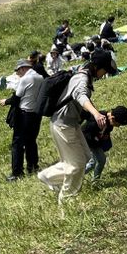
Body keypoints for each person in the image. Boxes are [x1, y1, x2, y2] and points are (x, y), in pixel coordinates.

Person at [38, 49, 112, 204]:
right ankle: (66, 201)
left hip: (71, 123)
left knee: (85, 157)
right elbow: (80, 95)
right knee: (76, 165)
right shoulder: (82, 78)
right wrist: (96, 114)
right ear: (97, 67)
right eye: (105, 70)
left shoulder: (83, 73)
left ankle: (48, 176)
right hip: (63, 125)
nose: (105, 74)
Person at [0, 58, 45, 181]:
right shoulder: (40, 77)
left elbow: (16, 97)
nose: (17, 73)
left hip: (24, 114)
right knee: (31, 141)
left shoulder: (26, 79)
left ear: (23, 68)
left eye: (18, 71)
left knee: (17, 143)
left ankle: (17, 172)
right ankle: (32, 166)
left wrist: (5, 101)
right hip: (36, 114)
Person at [83, 105, 127, 181]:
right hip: (90, 142)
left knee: (93, 162)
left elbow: (105, 133)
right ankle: (94, 180)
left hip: (95, 143)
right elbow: (86, 133)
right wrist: (97, 141)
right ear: (112, 118)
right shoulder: (98, 119)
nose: (118, 126)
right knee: (101, 160)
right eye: (118, 124)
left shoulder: (109, 124)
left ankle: (77, 177)